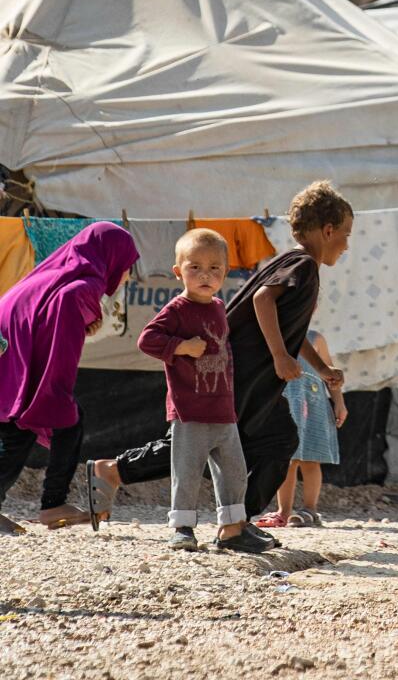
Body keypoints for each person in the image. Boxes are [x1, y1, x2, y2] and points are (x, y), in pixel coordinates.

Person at [87, 182, 352, 542]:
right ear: (328, 230)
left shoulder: (294, 263)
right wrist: (278, 356)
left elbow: (293, 331)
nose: (346, 245)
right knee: (197, 440)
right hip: (238, 372)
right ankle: (115, 471)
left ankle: (236, 523)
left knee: (277, 440)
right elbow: (262, 300)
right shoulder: (303, 264)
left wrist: (319, 369)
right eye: (346, 235)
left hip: (256, 378)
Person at [0, 223, 138, 529]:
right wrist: (54, 391)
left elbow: (46, 317)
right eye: (128, 266)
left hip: (10, 354)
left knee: (49, 423)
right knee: (28, 423)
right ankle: (53, 503)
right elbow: (61, 344)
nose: (128, 275)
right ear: (111, 257)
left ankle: (54, 503)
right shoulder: (84, 286)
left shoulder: (60, 275)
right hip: (19, 360)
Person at [138, 229, 263, 553]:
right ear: (178, 271)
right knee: (188, 472)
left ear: (226, 271)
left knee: (234, 472)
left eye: (214, 268)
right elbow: (147, 340)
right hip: (190, 409)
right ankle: (182, 528)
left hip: (223, 408)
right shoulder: (177, 309)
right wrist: (181, 346)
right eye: (195, 267)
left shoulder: (219, 307)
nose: (205, 275)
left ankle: (233, 528)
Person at [256, 329, 348, 528]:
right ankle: (284, 511)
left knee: (311, 459)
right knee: (287, 459)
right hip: (285, 404)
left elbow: (329, 373)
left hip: (313, 404)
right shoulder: (276, 336)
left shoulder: (316, 339)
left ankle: (310, 509)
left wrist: (339, 402)